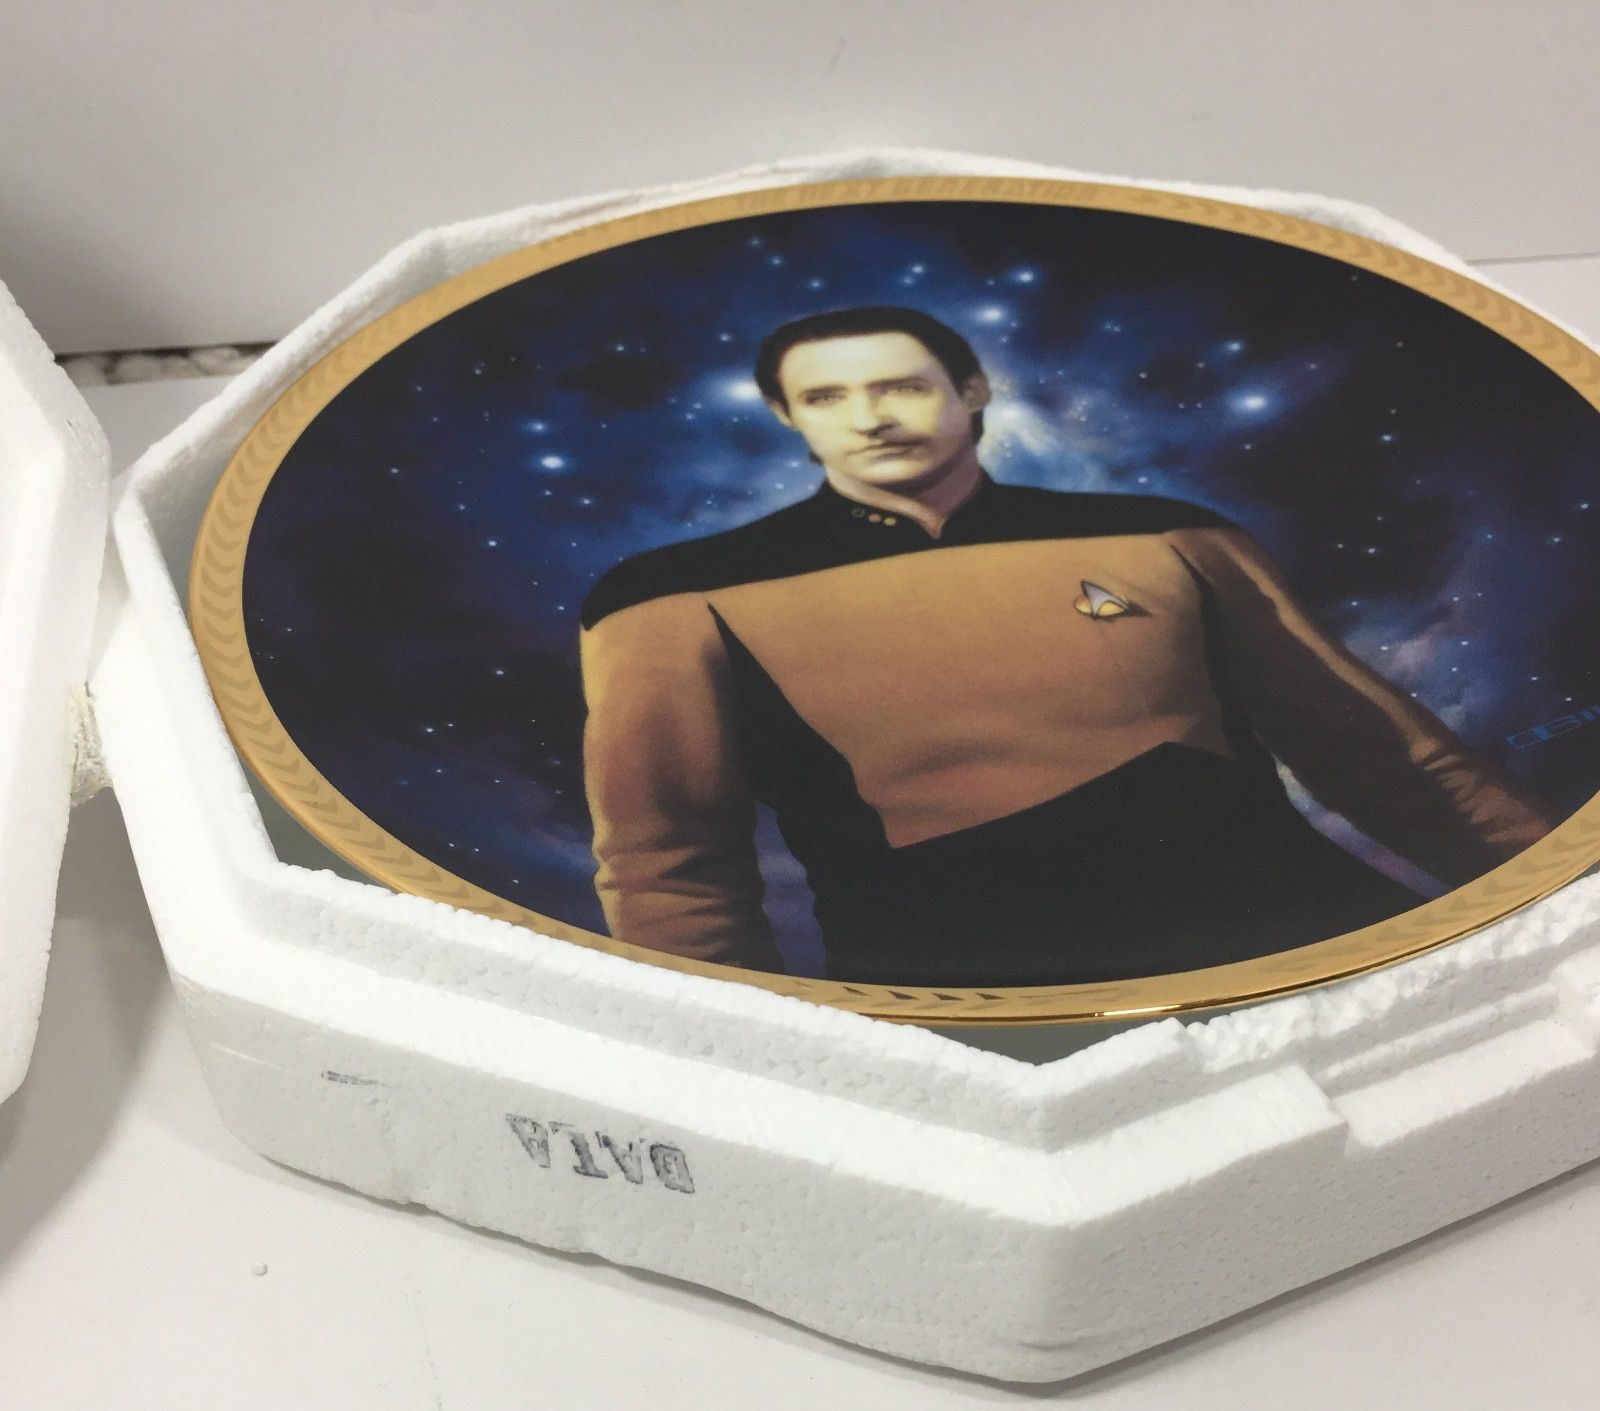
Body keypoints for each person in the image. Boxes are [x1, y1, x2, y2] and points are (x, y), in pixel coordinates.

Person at [577, 305, 1554, 987]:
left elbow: (1379, 751)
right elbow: (670, 860)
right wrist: (739, 1053)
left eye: (901, 386)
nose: (870, 417)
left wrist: (1560, 897)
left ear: (971, 390)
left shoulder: (1168, 534)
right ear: (788, 417)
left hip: (1303, 929)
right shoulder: (670, 597)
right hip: (971, 990)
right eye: (827, 398)